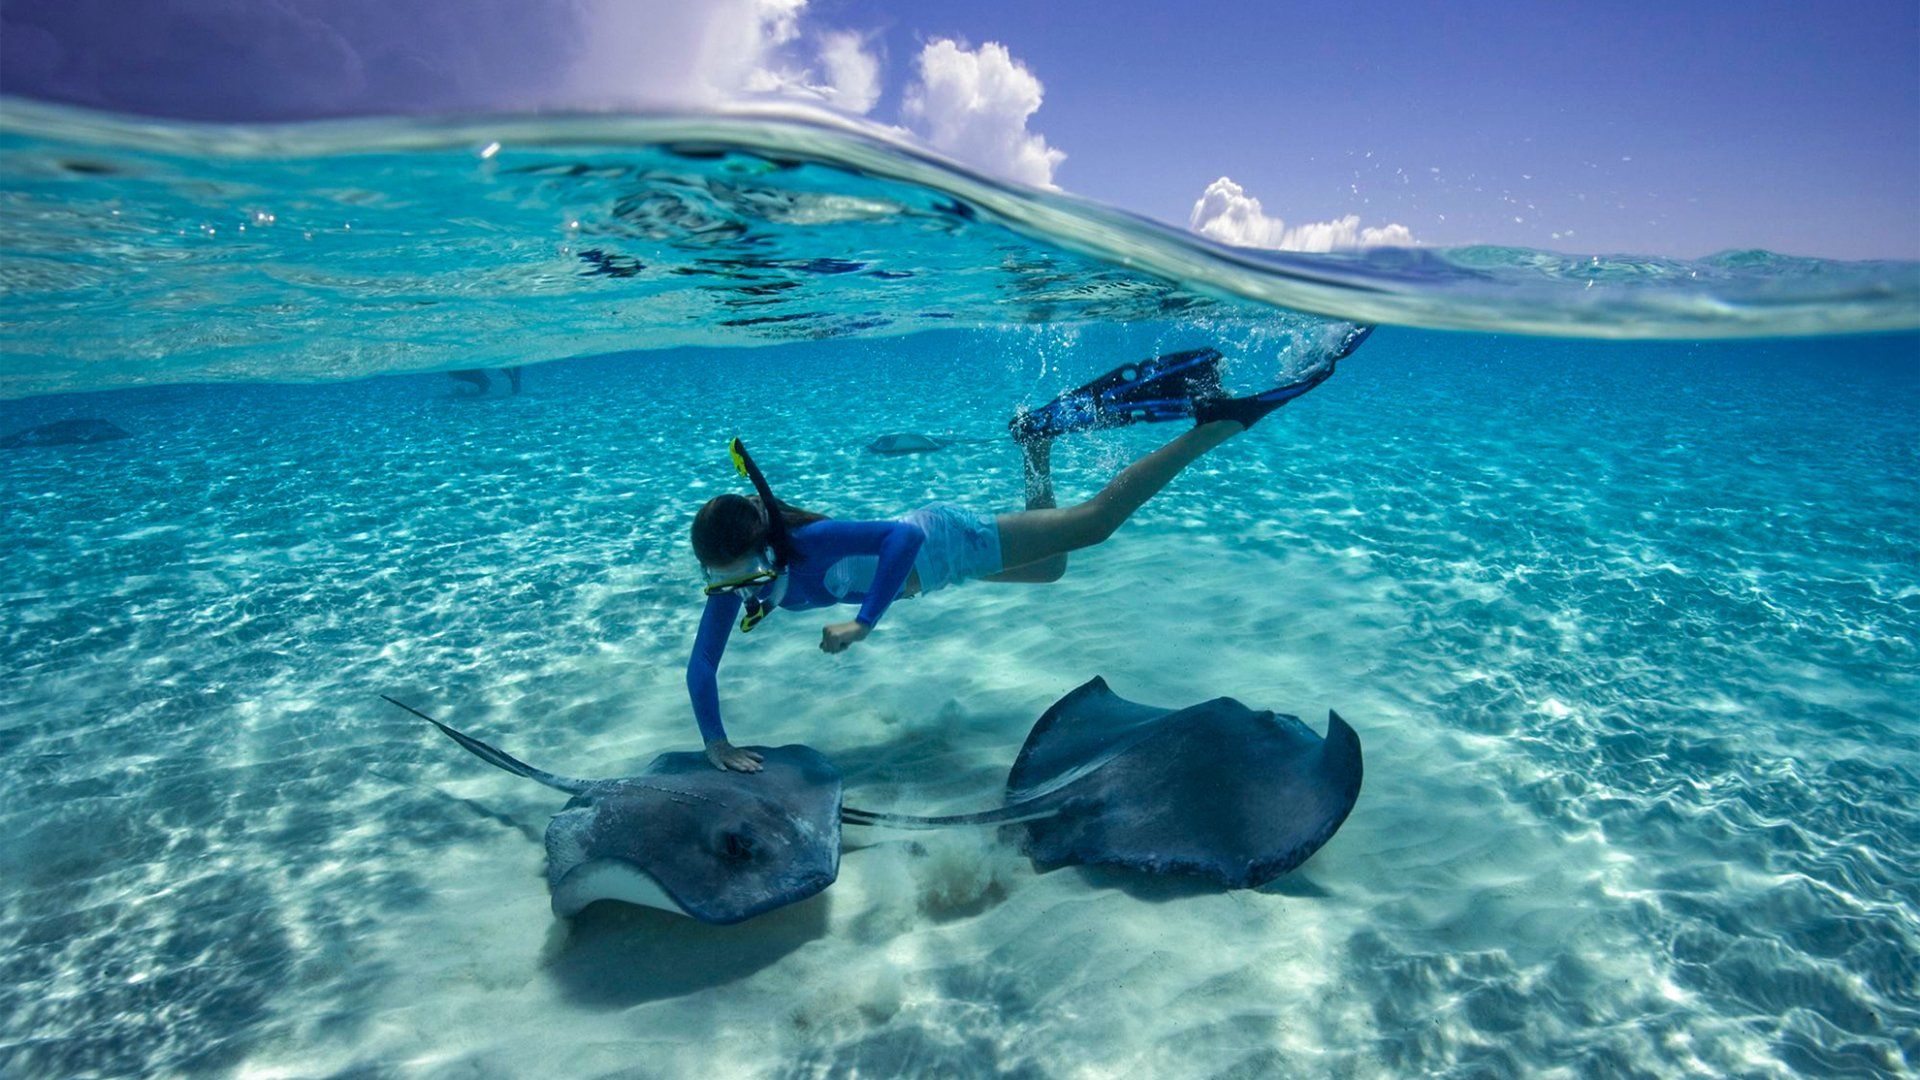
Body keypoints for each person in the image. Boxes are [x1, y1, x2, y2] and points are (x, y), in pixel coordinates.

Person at [688, 329, 1373, 772]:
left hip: (942, 540)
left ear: (764, 544)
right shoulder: (742, 584)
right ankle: (1037, 443)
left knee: (1096, 522)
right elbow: (702, 664)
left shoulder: (806, 543)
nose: (734, 590)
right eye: (721, 581)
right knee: (1051, 568)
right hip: (939, 572)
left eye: (738, 573)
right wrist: (716, 741)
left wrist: (865, 621)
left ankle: (1213, 428)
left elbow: (901, 539)